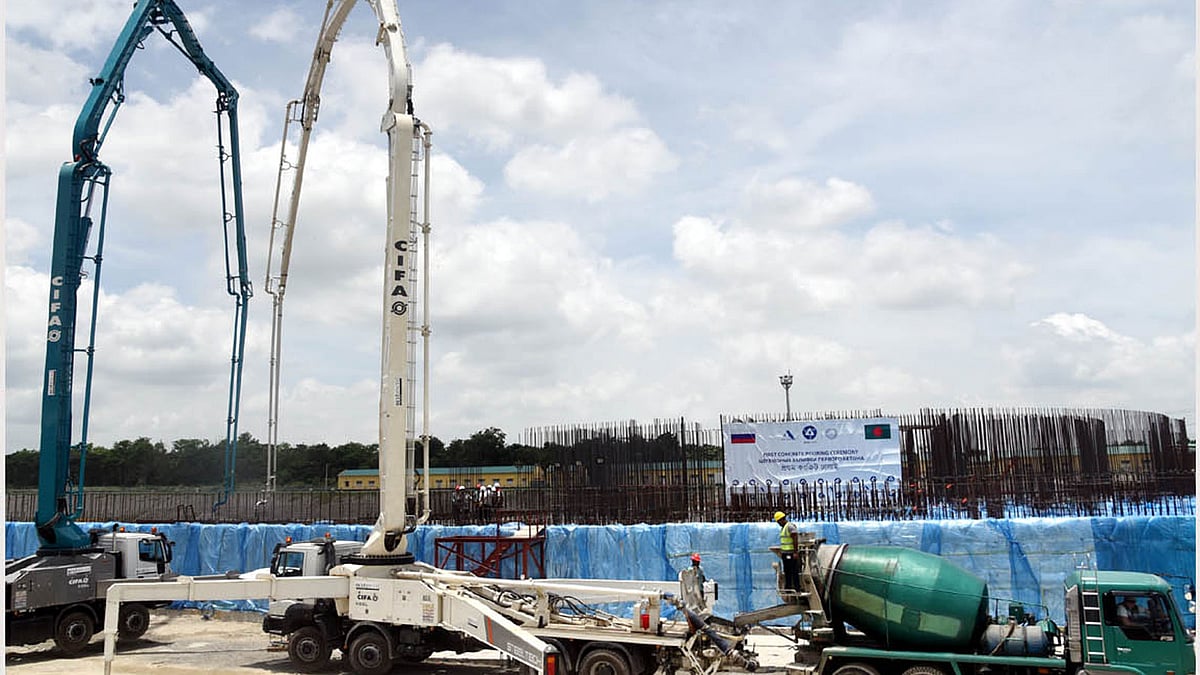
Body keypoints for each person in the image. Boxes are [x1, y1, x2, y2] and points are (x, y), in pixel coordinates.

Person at [774, 511, 801, 594]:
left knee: (793, 570)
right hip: (785, 553)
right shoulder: (784, 527)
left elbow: (795, 539)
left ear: (781, 520)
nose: (779, 524)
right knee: (787, 571)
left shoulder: (790, 527)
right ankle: (788, 588)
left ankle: (797, 588)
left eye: (778, 522)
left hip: (790, 553)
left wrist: (795, 552)